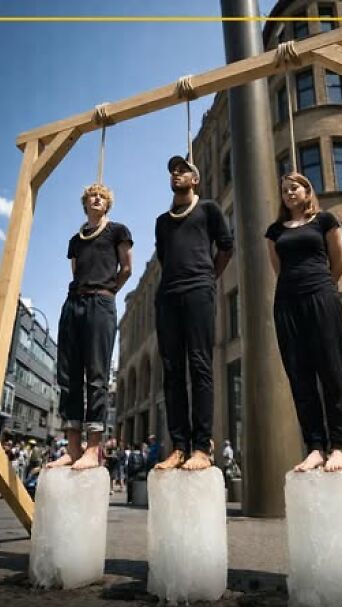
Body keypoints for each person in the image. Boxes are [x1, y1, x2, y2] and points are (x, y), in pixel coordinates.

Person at [265, 172, 342, 473]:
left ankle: (340, 446)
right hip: (287, 302)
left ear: (307, 191)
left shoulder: (325, 220)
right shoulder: (274, 231)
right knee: (300, 377)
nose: (289, 193)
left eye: (294, 188)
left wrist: (321, 290)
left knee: (332, 370)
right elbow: (279, 269)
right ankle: (315, 446)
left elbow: (338, 264)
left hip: (321, 295)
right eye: (284, 189)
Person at [154, 155, 234, 471]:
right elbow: (164, 256)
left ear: (195, 179)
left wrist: (208, 278)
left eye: (183, 169)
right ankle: (179, 446)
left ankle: (202, 446)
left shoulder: (209, 209)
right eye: (173, 170)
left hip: (199, 290)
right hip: (168, 296)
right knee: (172, 372)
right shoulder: (162, 221)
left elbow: (226, 247)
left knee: (200, 365)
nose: (177, 173)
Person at [48, 182, 133, 471]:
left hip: (101, 302)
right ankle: (72, 447)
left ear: (107, 203)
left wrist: (108, 292)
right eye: (91, 196)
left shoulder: (118, 231)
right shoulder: (76, 239)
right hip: (74, 303)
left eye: (101, 197)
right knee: (68, 374)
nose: (96, 199)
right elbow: (76, 272)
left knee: (96, 374)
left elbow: (127, 269)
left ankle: (93, 447)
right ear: (85, 204)